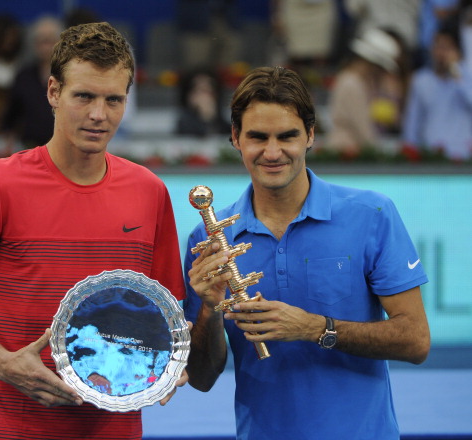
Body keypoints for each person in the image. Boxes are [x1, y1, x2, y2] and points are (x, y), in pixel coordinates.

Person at [0, 22, 187, 440]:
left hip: (115, 430)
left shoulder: (149, 192)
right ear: (53, 92)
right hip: (8, 428)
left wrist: (166, 364)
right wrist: (1, 361)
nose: (100, 114)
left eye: (114, 100)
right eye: (84, 96)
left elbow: (161, 318)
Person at [183, 66, 430, 439]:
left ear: (311, 135)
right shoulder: (208, 240)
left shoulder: (372, 215)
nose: (272, 151)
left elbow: (415, 341)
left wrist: (315, 328)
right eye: (257, 137)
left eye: (287, 136)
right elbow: (201, 378)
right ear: (235, 137)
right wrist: (208, 309)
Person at [402, 16, 472, 161]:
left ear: (457, 51)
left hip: (464, 156)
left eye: (446, 48)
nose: (441, 53)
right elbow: (413, 122)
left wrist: (457, 74)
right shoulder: (421, 80)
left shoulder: (467, 76)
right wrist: (410, 152)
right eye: (437, 46)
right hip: (431, 156)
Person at [324, 27, 402, 156]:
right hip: (345, 152)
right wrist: (380, 155)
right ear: (373, 64)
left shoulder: (355, 81)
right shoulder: (352, 84)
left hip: (351, 151)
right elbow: (363, 129)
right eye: (380, 68)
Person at [1, 15, 62, 152]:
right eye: (41, 41)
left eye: (50, 40)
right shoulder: (23, 76)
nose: (46, 47)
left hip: (66, 150)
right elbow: (11, 116)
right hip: (29, 148)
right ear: (34, 44)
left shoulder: (70, 76)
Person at [175, 67, 230, 137]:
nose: (205, 97)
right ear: (189, 96)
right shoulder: (183, 121)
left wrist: (211, 118)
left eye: (208, 91)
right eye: (200, 90)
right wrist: (205, 117)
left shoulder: (224, 119)